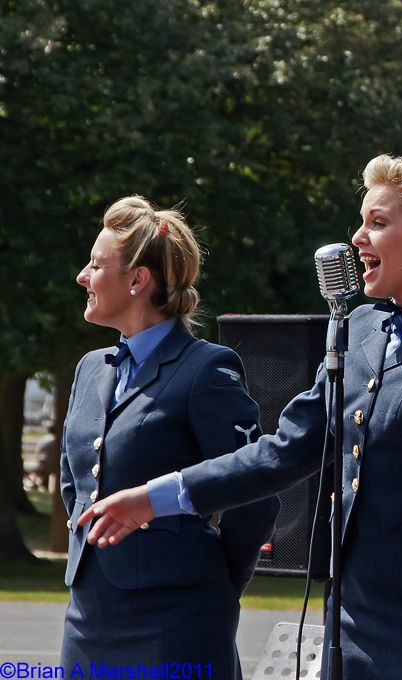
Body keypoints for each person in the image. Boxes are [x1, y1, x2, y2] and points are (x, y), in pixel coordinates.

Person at [81, 155, 402, 680]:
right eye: (361, 221)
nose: (357, 238)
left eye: (378, 223)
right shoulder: (360, 327)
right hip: (353, 614)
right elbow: (282, 451)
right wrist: (156, 498)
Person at [61, 196, 279, 678]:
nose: (82, 276)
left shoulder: (206, 369)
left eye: (96, 265)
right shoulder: (90, 369)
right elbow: (75, 484)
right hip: (88, 618)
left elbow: (253, 493)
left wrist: (219, 579)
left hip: (177, 621)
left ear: (139, 280)